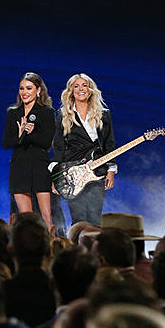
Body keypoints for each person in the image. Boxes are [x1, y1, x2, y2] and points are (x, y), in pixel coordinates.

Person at [52, 73, 117, 226]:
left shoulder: (103, 114)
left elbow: (109, 144)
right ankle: (77, 249)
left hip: (98, 171)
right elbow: (59, 147)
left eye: (84, 85)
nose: (81, 89)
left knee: (95, 218)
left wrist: (111, 171)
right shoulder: (62, 115)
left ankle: (94, 249)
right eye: (76, 86)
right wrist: (54, 177)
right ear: (71, 91)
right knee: (78, 219)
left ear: (90, 89)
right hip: (72, 173)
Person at [2, 72, 56, 230]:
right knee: (26, 219)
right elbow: (7, 142)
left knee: (46, 217)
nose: (24, 92)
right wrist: (19, 136)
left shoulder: (47, 112)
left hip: (40, 167)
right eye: (21, 88)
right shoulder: (13, 113)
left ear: (38, 90)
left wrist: (32, 134)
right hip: (19, 166)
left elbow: (46, 142)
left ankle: (50, 249)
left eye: (29, 88)